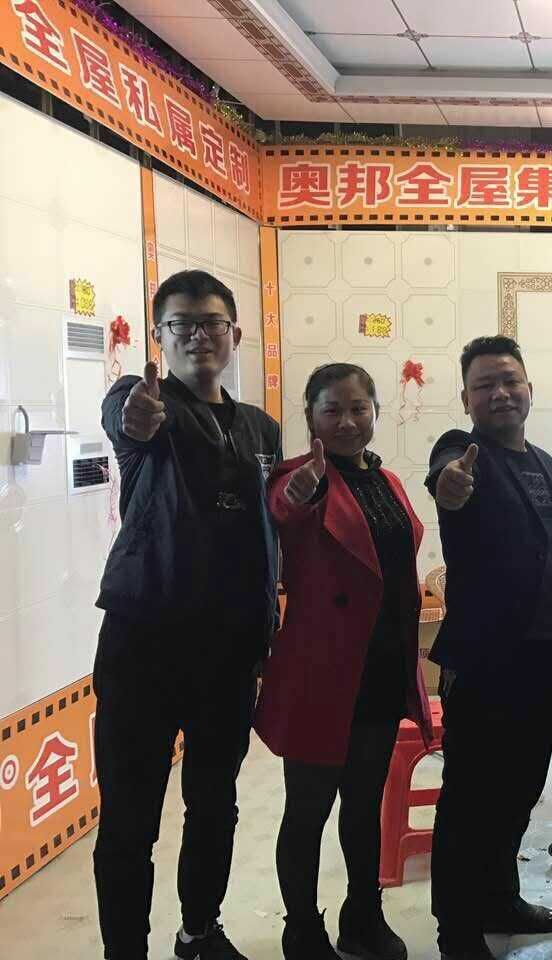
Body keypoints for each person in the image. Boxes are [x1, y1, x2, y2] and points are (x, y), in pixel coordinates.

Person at [92, 270, 280, 960]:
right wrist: (130, 415)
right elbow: (123, 413)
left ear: (235, 334)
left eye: (212, 322)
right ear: (161, 337)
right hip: (144, 643)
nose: (199, 335)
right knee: (130, 818)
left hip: (229, 652)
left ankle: (198, 931)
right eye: (182, 324)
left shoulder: (260, 426)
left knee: (214, 804)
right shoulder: (150, 406)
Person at [254, 363, 431, 959]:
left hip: (379, 671)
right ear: (310, 417)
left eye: (359, 408)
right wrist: (299, 493)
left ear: (376, 412)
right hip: (320, 678)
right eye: (332, 410)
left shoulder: (387, 480)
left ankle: (363, 917)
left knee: (363, 806)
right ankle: (302, 930)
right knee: (307, 811)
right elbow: (285, 507)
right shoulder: (298, 478)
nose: (348, 421)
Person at [425, 336, 552, 960]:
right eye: (484, 385)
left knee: (520, 789)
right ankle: (458, 932)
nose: (500, 393)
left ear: (529, 390)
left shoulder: (545, 463)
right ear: (466, 400)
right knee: (470, 799)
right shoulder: (462, 453)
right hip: (485, 660)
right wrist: (449, 483)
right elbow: (445, 476)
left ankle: (500, 898)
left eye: (510, 380)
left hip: (540, 660)